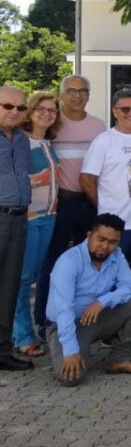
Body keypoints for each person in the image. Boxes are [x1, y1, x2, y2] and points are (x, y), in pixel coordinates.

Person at [46, 213, 131, 385]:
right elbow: (63, 309)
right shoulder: (69, 261)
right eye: (101, 239)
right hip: (67, 323)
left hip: (98, 317)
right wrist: (71, 351)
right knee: (70, 379)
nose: (105, 247)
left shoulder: (117, 255)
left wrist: (103, 301)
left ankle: (121, 358)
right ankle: (65, 347)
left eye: (112, 242)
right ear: (89, 236)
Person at [35, 75, 105, 337]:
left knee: (89, 262)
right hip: (61, 202)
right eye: (72, 91)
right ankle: (44, 320)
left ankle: (85, 320)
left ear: (89, 94)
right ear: (62, 94)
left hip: (90, 201)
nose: (77, 95)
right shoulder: (53, 123)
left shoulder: (99, 126)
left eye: (83, 91)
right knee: (52, 263)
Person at [80, 89, 131, 291]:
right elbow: (87, 178)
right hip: (116, 225)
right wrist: (104, 207)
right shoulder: (104, 141)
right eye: (125, 109)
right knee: (111, 276)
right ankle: (113, 320)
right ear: (115, 111)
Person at [13, 92, 61, 359]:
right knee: (22, 279)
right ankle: (22, 335)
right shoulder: (21, 142)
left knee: (36, 276)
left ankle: (31, 328)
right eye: (41, 109)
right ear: (30, 112)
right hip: (29, 218)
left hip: (48, 217)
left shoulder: (47, 142)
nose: (47, 114)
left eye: (52, 110)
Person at [0, 85, 32, 371]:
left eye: (20, 108)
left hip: (19, 218)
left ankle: (3, 350)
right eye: (7, 106)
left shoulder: (22, 140)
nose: (14, 112)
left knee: (9, 286)